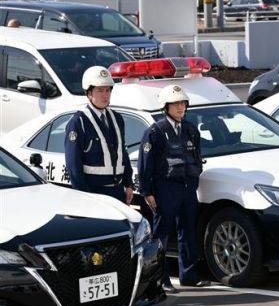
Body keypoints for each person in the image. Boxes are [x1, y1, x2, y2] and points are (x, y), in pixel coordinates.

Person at [138, 84, 207, 293]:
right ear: (165, 106)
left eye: (183, 103)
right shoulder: (155, 132)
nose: (180, 107)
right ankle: (160, 280)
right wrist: (147, 192)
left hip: (187, 189)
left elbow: (196, 158)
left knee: (188, 232)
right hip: (165, 189)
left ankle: (189, 276)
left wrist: (193, 183)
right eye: (176, 104)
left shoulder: (190, 130)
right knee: (161, 237)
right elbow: (145, 164)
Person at [64, 66, 134, 204]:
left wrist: (129, 184)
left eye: (108, 90)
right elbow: (73, 164)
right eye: (100, 90)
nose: (105, 95)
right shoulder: (79, 122)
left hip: (118, 192)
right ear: (89, 93)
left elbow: (122, 153)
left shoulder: (117, 118)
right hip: (93, 193)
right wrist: (84, 197)